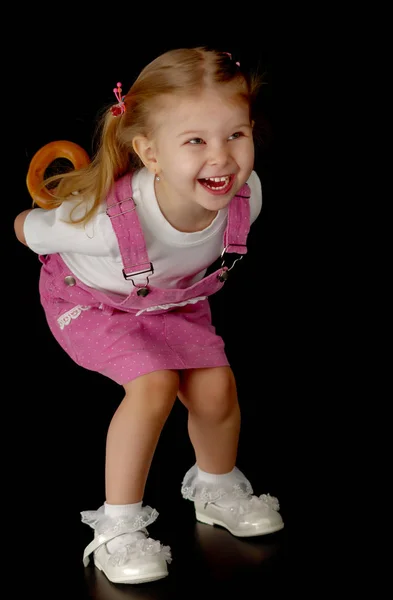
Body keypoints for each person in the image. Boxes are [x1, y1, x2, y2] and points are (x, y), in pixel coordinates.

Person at [14, 46, 284, 586]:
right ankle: (117, 529)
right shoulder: (105, 226)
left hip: (172, 300)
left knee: (215, 388)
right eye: (195, 142)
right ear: (150, 154)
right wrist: (50, 212)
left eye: (236, 134)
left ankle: (217, 486)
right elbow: (28, 226)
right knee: (155, 384)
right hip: (88, 301)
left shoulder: (246, 197)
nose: (223, 158)